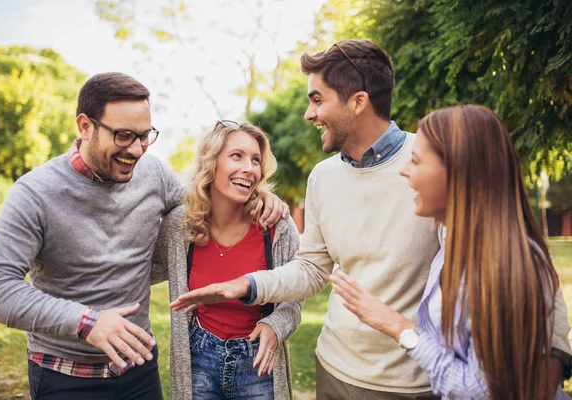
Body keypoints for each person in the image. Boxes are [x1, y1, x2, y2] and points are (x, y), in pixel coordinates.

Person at [169, 40, 572, 399]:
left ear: (358, 102)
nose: (309, 113)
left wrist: (554, 353)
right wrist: (249, 284)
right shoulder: (323, 177)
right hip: (336, 369)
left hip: (417, 381)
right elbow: (312, 268)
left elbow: (515, 256)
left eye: (317, 99)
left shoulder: (430, 166)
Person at [0, 72, 288, 400]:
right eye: (124, 136)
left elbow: (205, 209)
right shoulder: (35, 193)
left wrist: (256, 195)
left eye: (144, 136)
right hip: (64, 375)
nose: (137, 150)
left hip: (139, 370)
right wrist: (86, 321)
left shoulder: (152, 174)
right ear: (84, 126)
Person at [330, 104, 571, 399]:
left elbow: (480, 390)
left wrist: (399, 328)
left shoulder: (498, 268)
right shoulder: (454, 231)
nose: (404, 170)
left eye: (416, 161)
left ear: (459, 171)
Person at [151, 120, 301, 400]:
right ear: (211, 163)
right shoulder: (180, 227)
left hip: (259, 363)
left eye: (256, 160)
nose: (249, 168)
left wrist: (276, 324)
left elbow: (296, 292)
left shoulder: (275, 226)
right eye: (237, 156)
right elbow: (138, 268)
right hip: (199, 360)